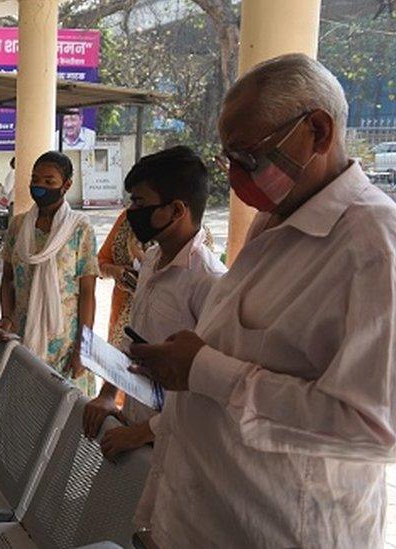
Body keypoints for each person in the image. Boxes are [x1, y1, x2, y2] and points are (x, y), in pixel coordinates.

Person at [130, 54, 396, 547]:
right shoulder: (274, 221)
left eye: (249, 158)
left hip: (284, 529)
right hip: (207, 518)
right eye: (229, 159)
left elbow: (373, 428)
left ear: (317, 130)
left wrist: (205, 369)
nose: (236, 177)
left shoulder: (374, 246)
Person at [82, 146, 225, 464]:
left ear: (176, 211)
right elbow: (133, 336)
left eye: (139, 202)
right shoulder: (152, 259)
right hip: (133, 418)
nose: (131, 211)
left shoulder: (210, 282)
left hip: (174, 443)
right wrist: (108, 395)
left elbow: (206, 385)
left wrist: (144, 431)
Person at [0, 151, 99, 394]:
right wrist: (6, 317)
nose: (40, 186)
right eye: (35, 179)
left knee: (65, 419)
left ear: (66, 185)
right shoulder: (18, 226)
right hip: (23, 336)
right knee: (26, 411)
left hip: (65, 344)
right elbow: (8, 279)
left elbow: (87, 293)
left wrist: (83, 349)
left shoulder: (79, 228)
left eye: (49, 181)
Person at [96, 210, 144, 351]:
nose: (135, 206)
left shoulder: (192, 234)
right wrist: (115, 271)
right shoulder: (127, 219)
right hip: (122, 323)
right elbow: (100, 263)